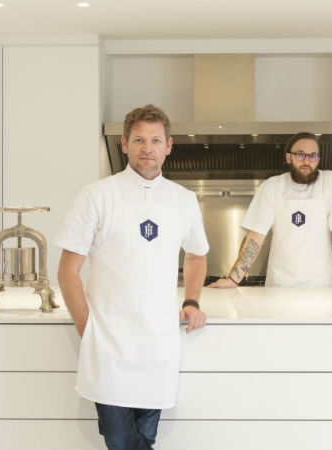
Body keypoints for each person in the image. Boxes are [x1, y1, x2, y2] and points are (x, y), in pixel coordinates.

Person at [54, 104, 209, 450]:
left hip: (159, 342)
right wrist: (86, 327)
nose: (147, 148)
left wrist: (192, 300)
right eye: (138, 139)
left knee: (143, 438)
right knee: (119, 438)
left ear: (169, 146)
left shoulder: (183, 200)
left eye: (155, 140)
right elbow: (67, 271)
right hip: (109, 341)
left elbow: (197, 254)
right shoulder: (96, 195)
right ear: (124, 144)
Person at [209, 132, 332, 288]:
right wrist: (233, 279)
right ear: (288, 157)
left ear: (318, 159)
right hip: (280, 286)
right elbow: (255, 237)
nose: (307, 161)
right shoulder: (271, 187)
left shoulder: (331, 182)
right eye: (300, 155)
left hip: (323, 287)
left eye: (313, 156)